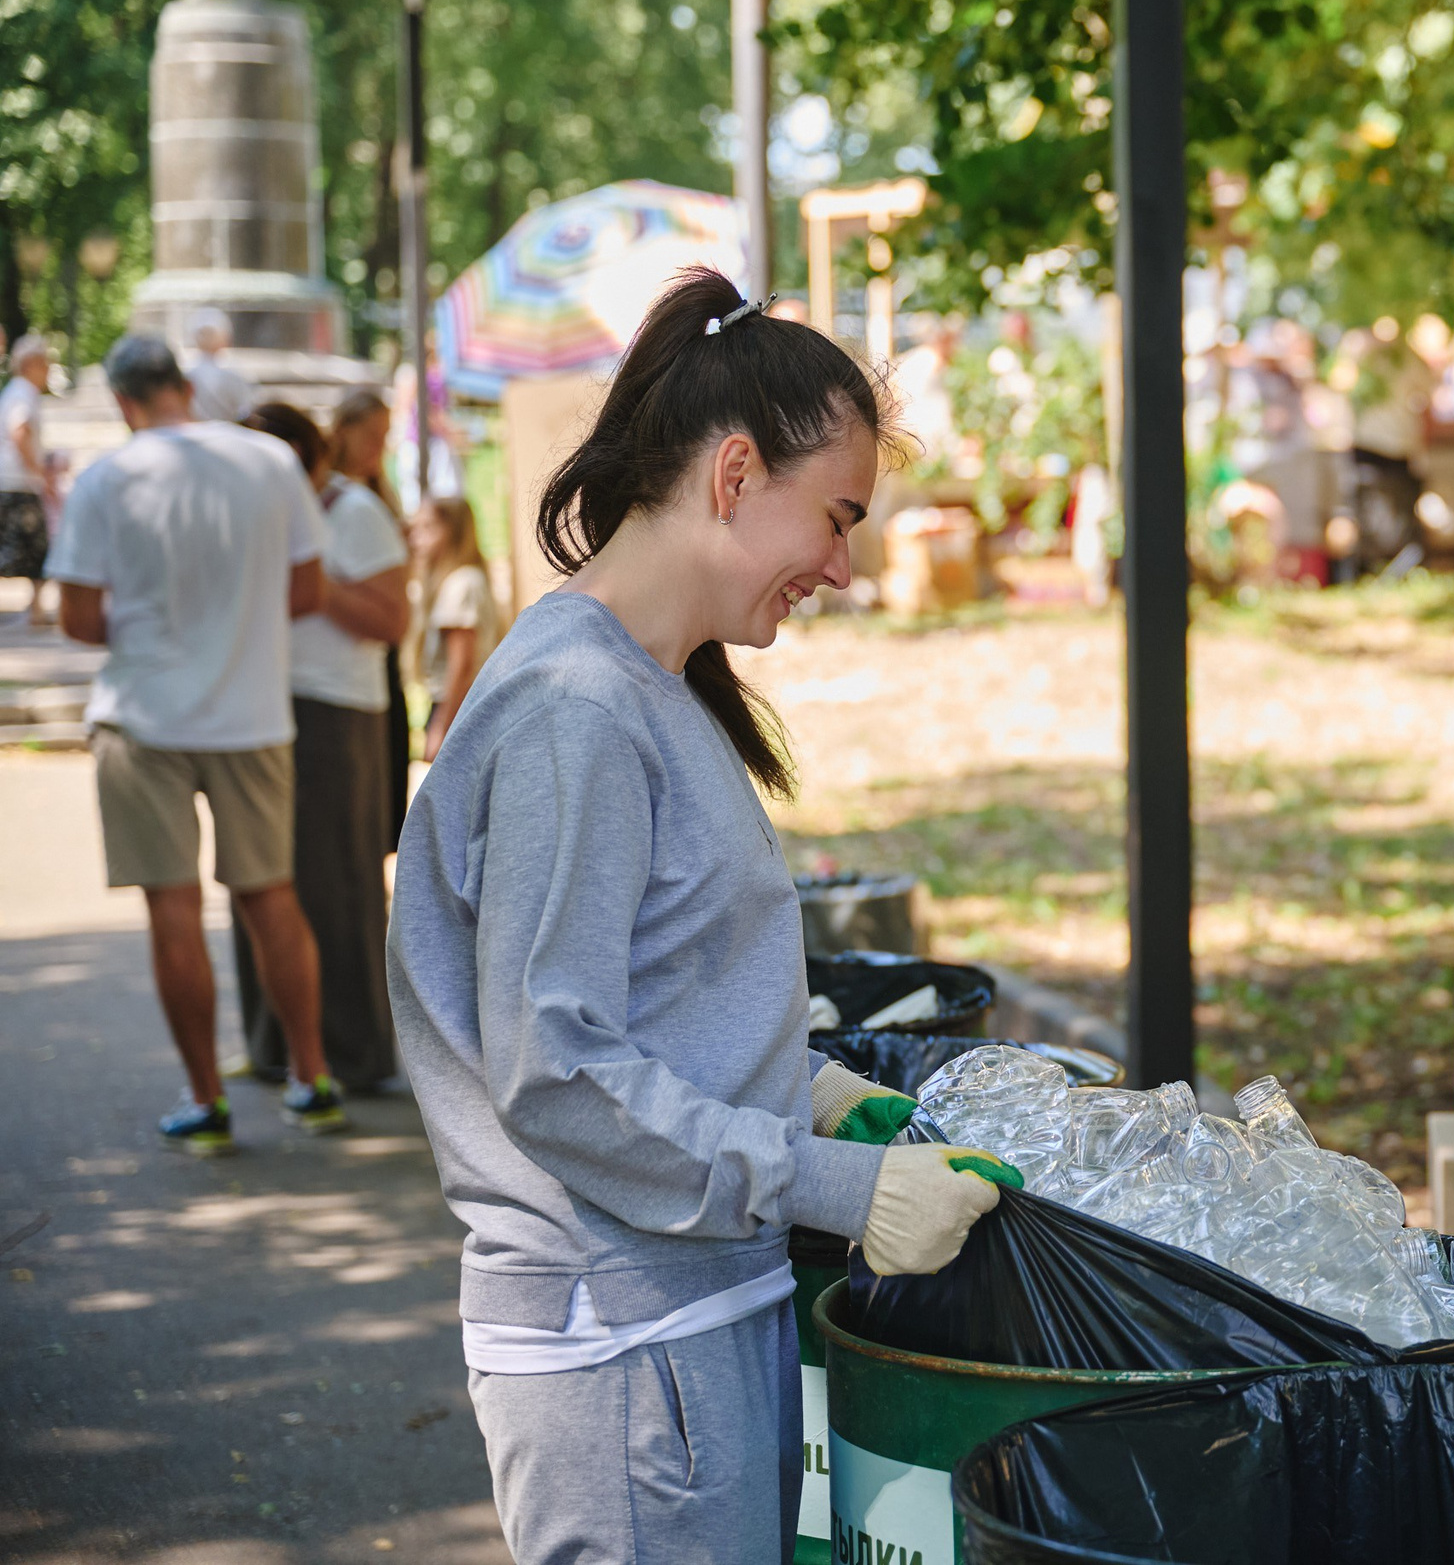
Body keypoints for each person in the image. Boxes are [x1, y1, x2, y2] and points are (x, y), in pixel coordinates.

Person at [387, 268, 1006, 1561]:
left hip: (681, 1318)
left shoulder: (646, 683)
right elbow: (554, 1069)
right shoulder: (581, 711)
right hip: (626, 1346)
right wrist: (837, 1182)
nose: (841, 565)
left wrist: (812, 1084)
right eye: (835, 517)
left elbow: (654, 985)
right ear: (735, 475)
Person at [47, 333, 348, 1153]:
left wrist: (159, 631)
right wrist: (233, 630)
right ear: (184, 383)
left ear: (121, 399)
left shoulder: (106, 478)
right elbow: (307, 590)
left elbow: (77, 618)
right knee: (270, 897)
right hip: (251, 712)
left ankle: (208, 1100)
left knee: (172, 908)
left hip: (143, 716)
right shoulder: (268, 463)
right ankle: (313, 1079)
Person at [225, 400, 408, 1089]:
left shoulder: (353, 511)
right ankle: (275, 1046)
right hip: (257, 705)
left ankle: (354, 1056)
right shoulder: (254, 512)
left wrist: (314, 584)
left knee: (337, 884)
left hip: (336, 711)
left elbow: (393, 618)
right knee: (259, 879)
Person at [326, 387, 414, 849]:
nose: (377, 447)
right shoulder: (333, 495)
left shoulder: (379, 493)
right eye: (370, 435)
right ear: (343, 432)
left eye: (385, 436)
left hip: (384, 649)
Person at [409, 494, 501, 763]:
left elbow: (462, 663)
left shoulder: (461, 584)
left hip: (458, 706)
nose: (416, 539)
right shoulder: (457, 580)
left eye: (427, 528)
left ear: (454, 532)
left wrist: (441, 726)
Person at [2, 332, 57, 622]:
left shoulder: (19, 391)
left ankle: (35, 608)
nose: (48, 368)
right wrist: (38, 471)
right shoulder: (22, 393)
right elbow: (19, 432)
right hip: (17, 482)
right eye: (44, 362)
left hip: (12, 481)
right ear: (30, 363)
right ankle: (36, 609)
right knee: (35, 547)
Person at [184, 308, 259, 425]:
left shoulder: (234, 371)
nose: (207, 338)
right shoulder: (187, 371)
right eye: (204, 333)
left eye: (210, 333)